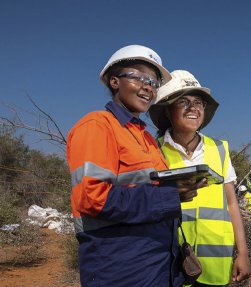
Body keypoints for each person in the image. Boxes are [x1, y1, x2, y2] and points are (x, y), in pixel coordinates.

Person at [66, 45, 204, 286]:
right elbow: (92, 197)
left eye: (153, 81)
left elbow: (150, 189)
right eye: (139, 77)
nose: (148, 86)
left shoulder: (146, 137)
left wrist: (180, 190)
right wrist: (170, 197)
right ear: (114, 81)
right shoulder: (97, 126)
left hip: (158, 263)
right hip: (119, 267)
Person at [148, 70, 250, 286]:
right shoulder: (153, 150)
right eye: (183, 101)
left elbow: (231, 203)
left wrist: (243, 253)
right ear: (167, 110)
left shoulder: (219, 149)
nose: (193, 108)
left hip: (215, 263)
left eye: (198, 102)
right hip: (170, 262)